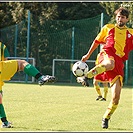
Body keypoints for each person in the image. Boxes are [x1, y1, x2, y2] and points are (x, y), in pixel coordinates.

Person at [76, 7, 133, 129]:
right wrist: (87, 55)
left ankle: (106, 118)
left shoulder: (131, 33)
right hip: (106, 54)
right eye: (118, 16)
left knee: (116, 98)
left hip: (119, 63)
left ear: (127, 19)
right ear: (116, 17)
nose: (120, 19)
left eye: (122, 17)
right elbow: (97, 41)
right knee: (110, 64)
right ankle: (85, 76)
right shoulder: (108, 28)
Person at [0, 41, 56, 128]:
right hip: (1, 69)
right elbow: (5, 61)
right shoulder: (2, 46)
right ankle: (40, 77)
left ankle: (5, 122)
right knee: (22, 64)